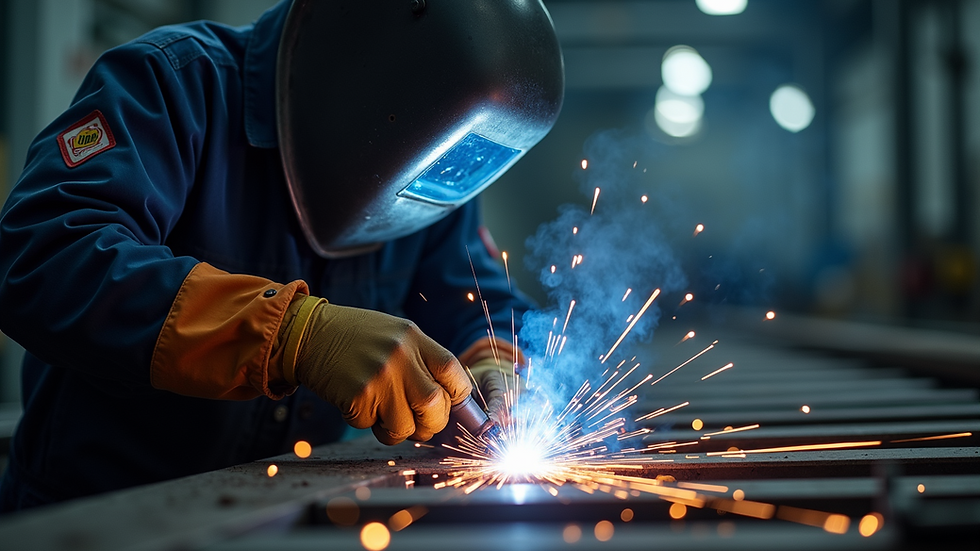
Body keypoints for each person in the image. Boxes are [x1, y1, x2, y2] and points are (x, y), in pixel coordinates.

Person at [0, 0, 563, 511]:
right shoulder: (175, 87)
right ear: (366, 76)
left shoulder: (439, 169)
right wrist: (295, 336)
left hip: (281, 516)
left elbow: (470, 296)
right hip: (100, 516)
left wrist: (496, 364)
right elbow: (42, 252)